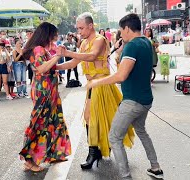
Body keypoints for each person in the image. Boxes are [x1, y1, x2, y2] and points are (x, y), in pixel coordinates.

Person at [86, 13, 163, 179]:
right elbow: (130, 67)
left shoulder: (132, 46)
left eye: (121, 30)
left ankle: (126, 176)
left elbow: (121, 76)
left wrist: (96, 83)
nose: (120, 33)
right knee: (142, 132)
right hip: (145, 100)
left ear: (127, 28)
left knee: (114, 137)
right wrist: (120, 51)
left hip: (132, 101)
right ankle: (155, 167)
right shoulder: (146, 43)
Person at [56, 12, 134, 169]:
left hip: (102, 84)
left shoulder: (99, 40)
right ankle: (95, 151)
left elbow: (92, 56)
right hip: (92, 85)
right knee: (93, 118)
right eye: (78, 29)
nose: (79, 32)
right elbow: (74, 62)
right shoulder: (84, 42)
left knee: (96, 117)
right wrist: (55, 67)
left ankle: (96, 152)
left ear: (90, 26)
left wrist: (67, 52)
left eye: (81, 28)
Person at [19, 22, 71, 172]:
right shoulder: (38, 49)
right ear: (47, 34)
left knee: (54, 121)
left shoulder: (45, 49)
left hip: (50, 91)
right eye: (54, 34)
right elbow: (42, 68)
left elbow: (56, 66)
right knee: (39, 123)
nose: (56, 36)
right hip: (44, 91)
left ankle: (55, 153)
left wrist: (75, 57)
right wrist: (58, 56)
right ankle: (29, 161)